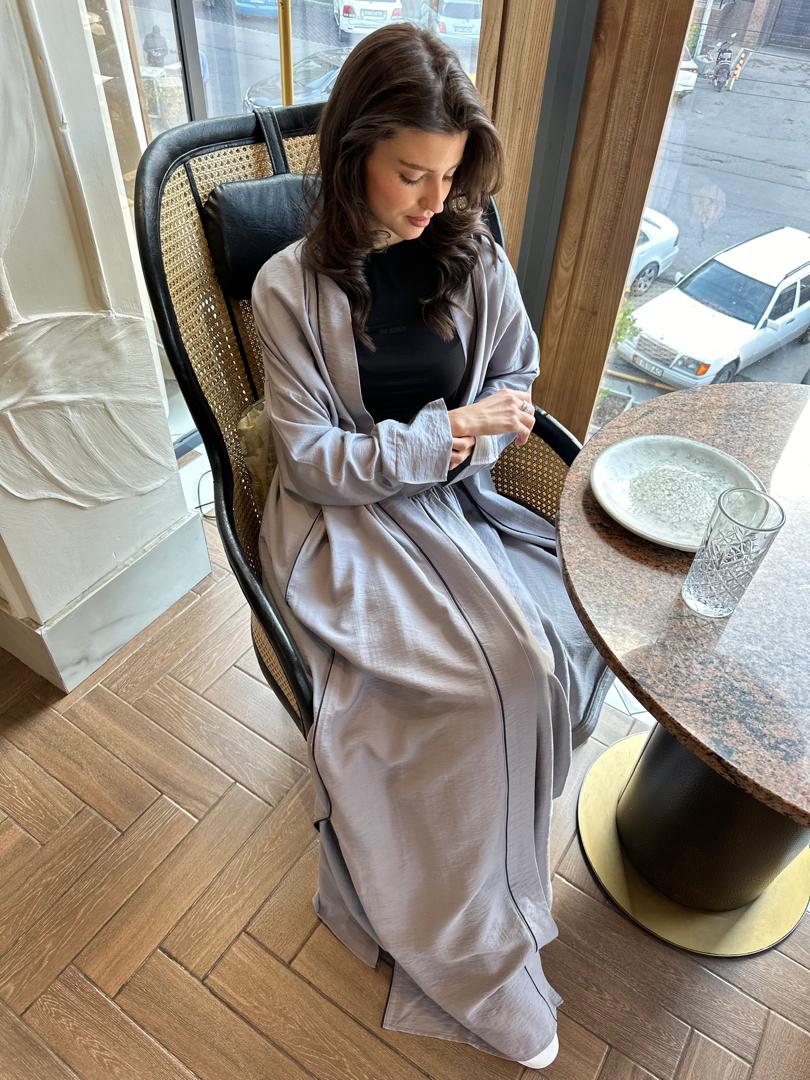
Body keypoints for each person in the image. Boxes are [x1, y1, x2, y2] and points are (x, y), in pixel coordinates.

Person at [252, 23, 608, 1069]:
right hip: (345, 529)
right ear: (353, 152)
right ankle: (475, 952)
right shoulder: (286, 288)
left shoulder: (471, 250)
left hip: (455, 503)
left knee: (565, 639)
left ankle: (497, 863)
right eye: (411, 173)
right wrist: (447, 432)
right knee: (486, 684)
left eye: (449, 176)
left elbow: (515, 380)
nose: (433, 199)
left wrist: (470, 439)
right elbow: (312, 463)